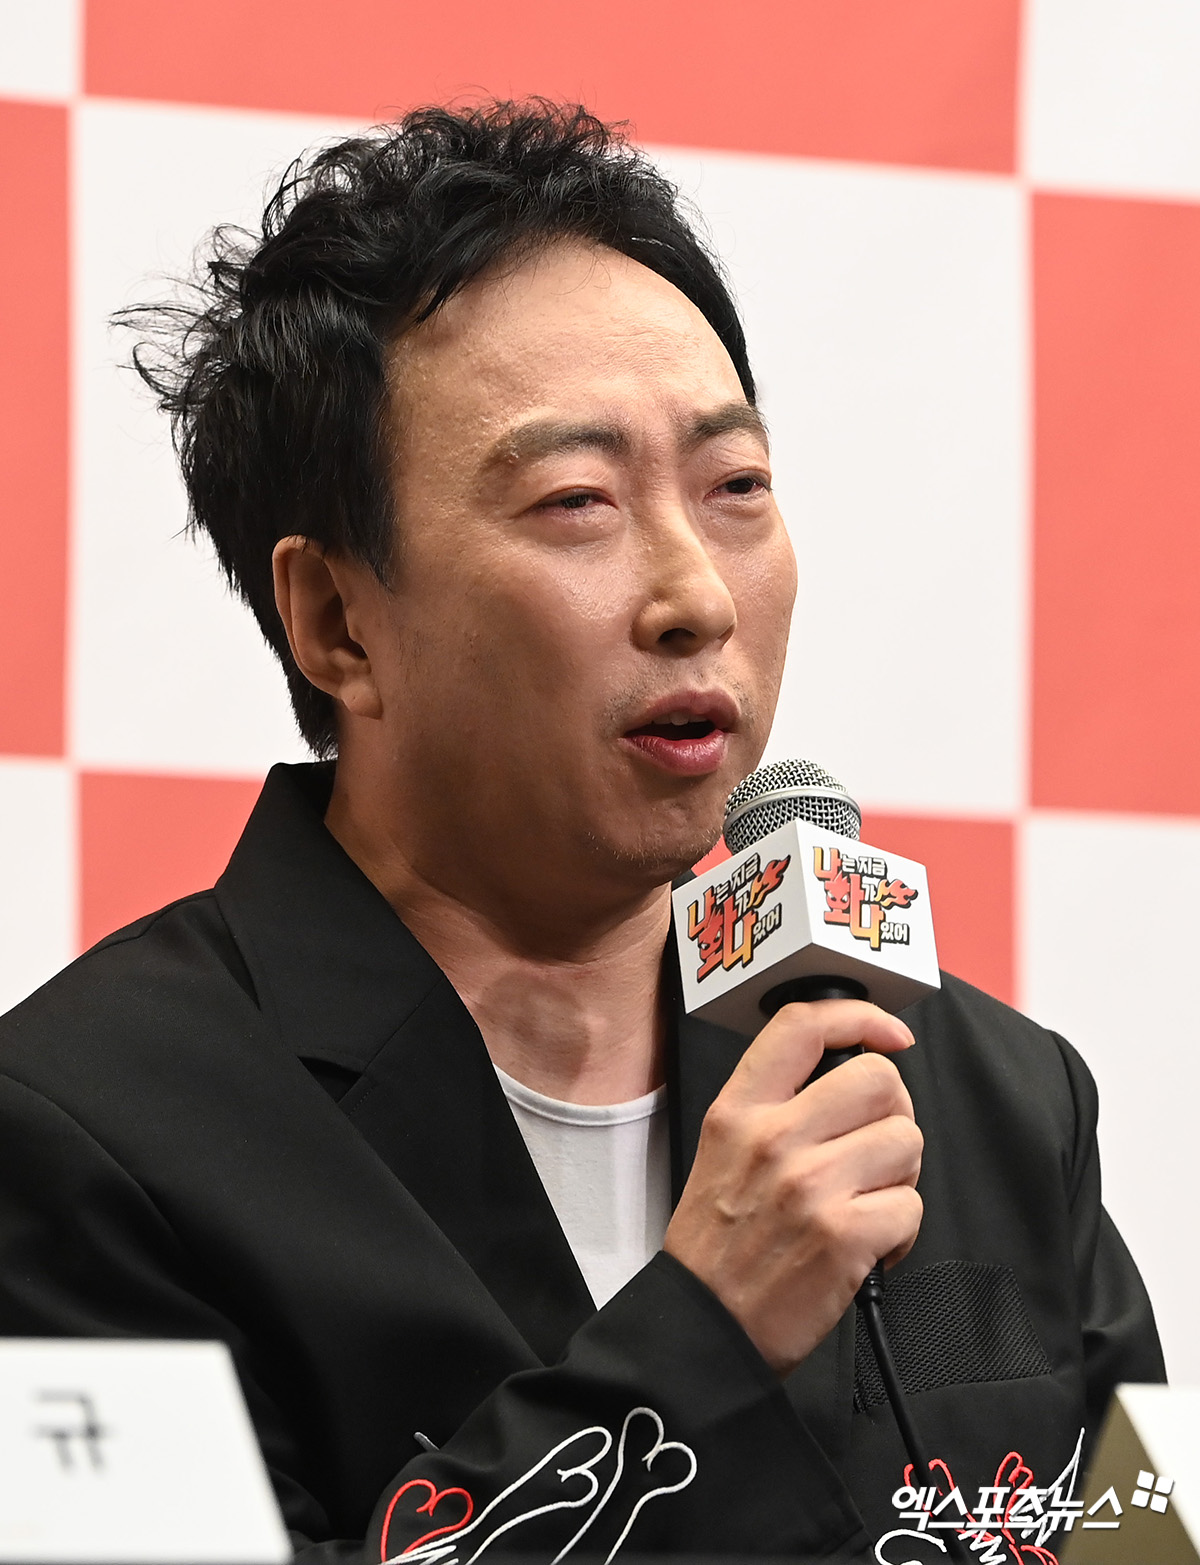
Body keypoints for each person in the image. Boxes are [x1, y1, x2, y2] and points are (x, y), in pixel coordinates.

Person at [0, 102, 1162, 1563]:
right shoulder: (83, 1136)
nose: (697, 596)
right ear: (338, 620)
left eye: (736, 488)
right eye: (576, 502)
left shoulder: (992, 1096)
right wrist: (702, 1341)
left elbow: (1145, 1534)